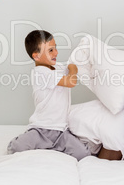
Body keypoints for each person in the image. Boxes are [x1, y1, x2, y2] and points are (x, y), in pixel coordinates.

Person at [7, 30, 91, 161]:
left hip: (61, 131)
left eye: (55, 48)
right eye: (50, 50)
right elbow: (71, 81)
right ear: (36, 56)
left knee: (83, 154)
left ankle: (53, 146)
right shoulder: (40, 73)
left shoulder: (57, 67)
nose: (56, 53)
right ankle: (37, 143)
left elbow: (70, 68)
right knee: (17, 148)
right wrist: (73, 68)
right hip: (41, 129)